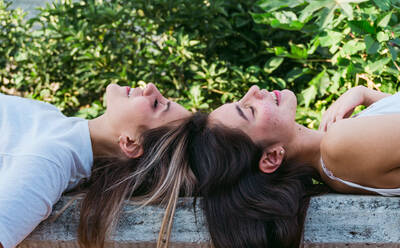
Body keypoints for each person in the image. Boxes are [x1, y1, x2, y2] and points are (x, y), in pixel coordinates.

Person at [184, 85, 397, 247]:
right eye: (249, 110)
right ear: (271, 158)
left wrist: (366, 95)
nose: (254, 91)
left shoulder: (337, 147)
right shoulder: (339, 147)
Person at [0, 83, 193, 248]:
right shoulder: (59, 127)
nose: (151, 87)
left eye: (156, 104)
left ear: (131, 143)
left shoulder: (51, 163)